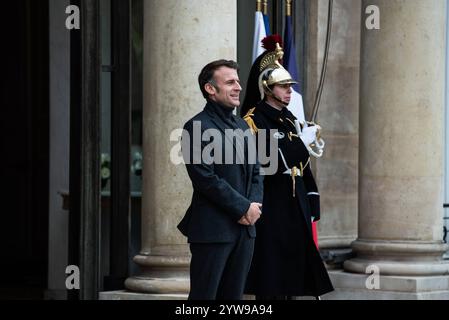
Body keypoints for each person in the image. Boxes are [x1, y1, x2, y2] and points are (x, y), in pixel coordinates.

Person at [242, 37, 334, 299]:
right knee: (271, 275)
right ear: (267, 88)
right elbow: (270, 162)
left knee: (295, 272)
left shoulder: (289, 119)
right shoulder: (254, 121)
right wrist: (302, 143)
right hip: (272, 202)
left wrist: (312, 199)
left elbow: (302, 167)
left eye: (289, 86)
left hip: (295, 202)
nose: (289, 91)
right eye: (283, 86)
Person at [177, 60, 264, 300]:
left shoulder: (242, 126)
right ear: (210, 89)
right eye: (230, 82)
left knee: (234, 300)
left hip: (246, 230)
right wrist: (243, 207)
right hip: (213, 230)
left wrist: (254, 206)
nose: (238, 87)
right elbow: (205, 179)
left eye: (238, 81)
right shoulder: (196, 126)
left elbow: (256, 171)